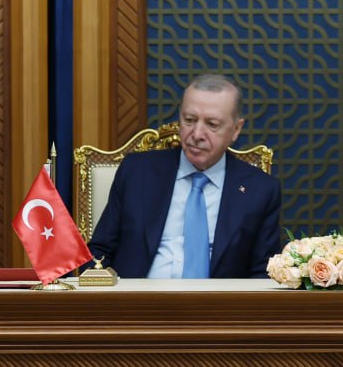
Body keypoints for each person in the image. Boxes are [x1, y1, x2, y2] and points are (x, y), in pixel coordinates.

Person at [89, 74, 281, 278]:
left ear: (236, 129)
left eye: (212, 124)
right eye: (189, 120)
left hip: (219, 299)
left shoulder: (260, 190)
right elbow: (100, 252)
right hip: (139, 296)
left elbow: (263, 273)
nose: (197, 134)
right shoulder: (137, 172)